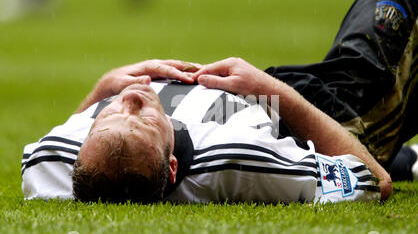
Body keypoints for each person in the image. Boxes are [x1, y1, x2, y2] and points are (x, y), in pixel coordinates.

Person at [193, 0, 418, 189]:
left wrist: (151, 69)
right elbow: (379, 181)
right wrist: (263, 85)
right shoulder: (178, 160)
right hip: (334, 118)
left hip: (314, 102)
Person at [21, 60, 391, 205]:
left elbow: (72, 129)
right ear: (171, 166)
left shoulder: (50, 159)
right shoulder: (240, 157)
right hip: (300, 102)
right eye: (145, 119)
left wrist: (102, 89)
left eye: (105, 115)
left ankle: (415, 158)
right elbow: (375, 179)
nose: (130, 98)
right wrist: (273, 89)